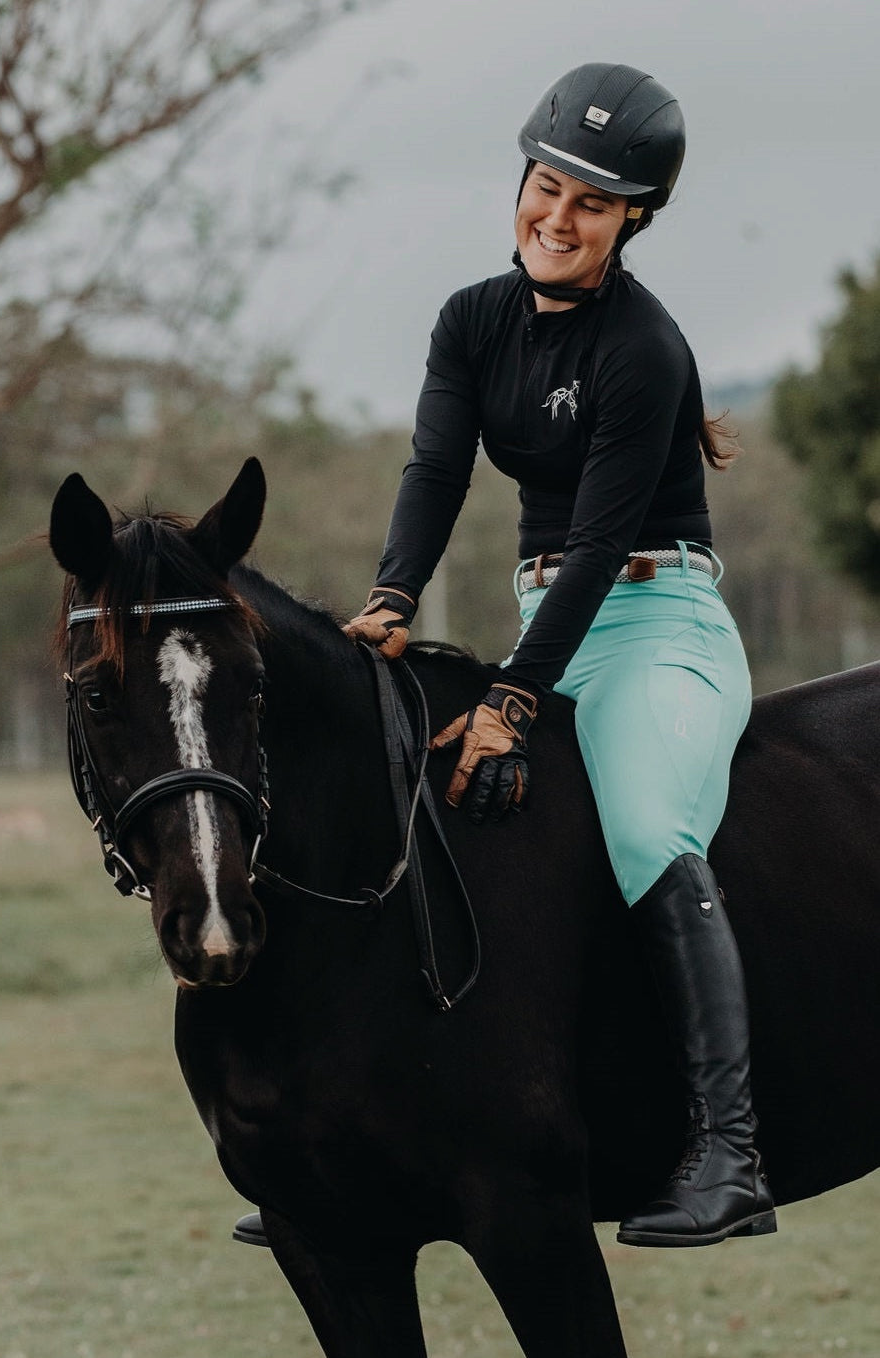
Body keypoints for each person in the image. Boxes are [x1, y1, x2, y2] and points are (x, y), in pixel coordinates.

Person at [234, 61, 776, 1251]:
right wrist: (387, 595)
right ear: (520, 183)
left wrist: (513, 700)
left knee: (642, 828)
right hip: (552, 621)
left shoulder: (646, 347)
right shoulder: (471, 319)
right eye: (546, 185)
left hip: (653, 623)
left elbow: (593, 546)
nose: (559, 216)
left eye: (592, 201)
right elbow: (436, 470)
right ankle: (358, 1136)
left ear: (632, 217)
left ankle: (730, 1149)